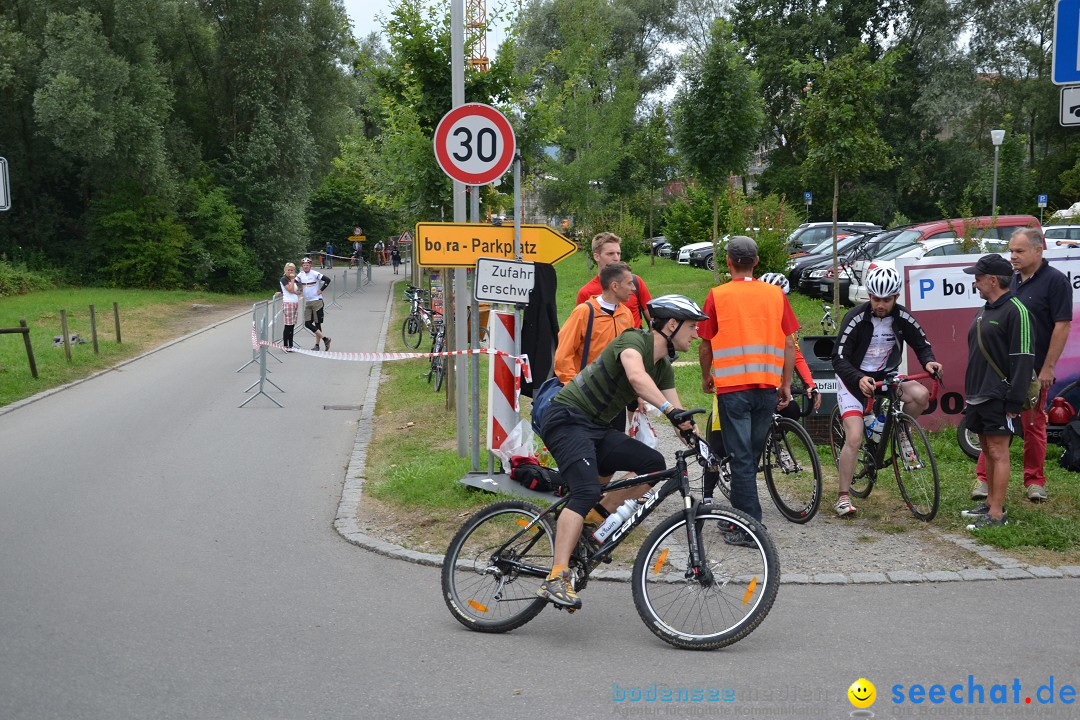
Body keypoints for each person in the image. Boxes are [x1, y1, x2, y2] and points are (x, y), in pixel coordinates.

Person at [536, 295, 705, 610]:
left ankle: (590, 524)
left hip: (596, 429)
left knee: (652, 464)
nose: (696, 334)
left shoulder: (662, 365)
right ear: (671, 325)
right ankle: (556, 576)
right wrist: (668, 410)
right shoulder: (634, 340)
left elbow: (678, 410)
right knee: (586, 490)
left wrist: (701, 444)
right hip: (567, 418)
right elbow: (637, 379)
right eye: (692, 327)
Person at [697, 236, 797, 529]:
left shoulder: (717, 295)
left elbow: (705, 345)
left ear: (728, 262)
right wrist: (786, 383)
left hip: (733, 391)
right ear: (756, 262)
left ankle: (748, 526)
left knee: (741, 459)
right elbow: (789, 345)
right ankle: (743, 519)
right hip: (765, 389)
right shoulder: (776, 295)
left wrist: (706, 376)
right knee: (749, 457)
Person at [831, 266, 942, 517]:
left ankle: (902, 434)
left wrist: (929, 362)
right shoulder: (855, 318)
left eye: (887, 300)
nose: (880, 305)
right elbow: (838, 359)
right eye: (875, 299)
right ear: (869, 296)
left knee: (920, 395)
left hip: (886, 376)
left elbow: (922, 344)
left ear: (896, 298)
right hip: (853, 379)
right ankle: (843, 497)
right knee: (855, 437)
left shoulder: (903, 317)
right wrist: (858, 378)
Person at [971, 228, 1072, 502]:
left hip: (1033, 369)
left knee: (1033, 424)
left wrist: (1048, 367)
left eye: (1019, 251)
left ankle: (1034, 481)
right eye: (1011, 251)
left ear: (1038, 251)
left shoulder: (1056, 282)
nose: (1013, 256)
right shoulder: (1008, 280)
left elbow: (1062, 326)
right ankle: (983, 480)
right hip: (999, 371)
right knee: (991, 427)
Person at [961, 254, 1035, 530]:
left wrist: (1014, 399)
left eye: (978, 278)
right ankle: (990, 502)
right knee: (987, 449)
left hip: (1000, 395)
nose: (975, 283)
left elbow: (1024, 358)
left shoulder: (1017, 310)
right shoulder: (986, 309)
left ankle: (996, 514)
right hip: (979, 394)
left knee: (998, 449)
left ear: (993, 280)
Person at [554, 261, 636, 423]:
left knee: (613, 445)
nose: (634, 288)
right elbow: (563, 354)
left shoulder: (626, 314)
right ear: (614, 286)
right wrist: (575, 388)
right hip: (586, 398)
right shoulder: (584, 312)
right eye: (629, 283)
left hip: (615, 399)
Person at [576, 232, 653, 328]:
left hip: (635, 341)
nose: (616, 258)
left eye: (618, 253)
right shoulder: (586, 293)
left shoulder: (634, 283)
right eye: (610, 254)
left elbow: (653, 320)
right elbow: (581, 330)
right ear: (597, 256)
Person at [296, 257, 332, 351]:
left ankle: (317, 345)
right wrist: (296, 289)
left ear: (310, 266)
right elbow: (294, 282)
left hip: (317, 301)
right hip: (308, 302)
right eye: (304, 265)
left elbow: (327, 280)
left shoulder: (315, 273)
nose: (306, 267)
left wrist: (321, 290)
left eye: (307, 265)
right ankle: (325, 339)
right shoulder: (301, 274)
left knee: (317, 324)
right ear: (302, 266)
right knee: (307, 323)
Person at [278, 262, 300, 351]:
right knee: (288, 325)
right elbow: (290, 290)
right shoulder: (284, 279)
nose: (290, 271)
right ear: (285, 270)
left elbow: (298, 291)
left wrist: (293, 283)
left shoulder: (292, 280)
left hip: (294, 303)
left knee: (292, 325)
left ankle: (291, 344)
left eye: (292, 270)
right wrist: (292, 279)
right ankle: (285, 345)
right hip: (288, 303)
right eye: (289, 270)